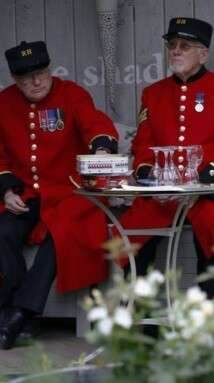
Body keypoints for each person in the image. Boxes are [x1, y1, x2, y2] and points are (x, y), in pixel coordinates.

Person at [118, 17, 214, 297]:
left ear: (203, 54)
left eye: (185, 46)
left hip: (212, 190)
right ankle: (138, 316)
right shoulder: (153, 94)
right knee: (132, 236)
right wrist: (149, 180)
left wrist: (207, 182)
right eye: (172, 46)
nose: (176, 51)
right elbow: (143, 145)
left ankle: (211, 308)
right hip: (165, 193)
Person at [0, 41, 119, 349]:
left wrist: (101, 147)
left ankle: (19, 313)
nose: (36, 82)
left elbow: (95, 124)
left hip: (70, 191)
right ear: (15, 79)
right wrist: (6, 189)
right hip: (26, 194)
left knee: (62, 231)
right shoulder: (4, 103)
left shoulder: (72, 94)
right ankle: (12, 301)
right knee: (3, 231)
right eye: (27, 78)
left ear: (49, 70)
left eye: (40, 73)